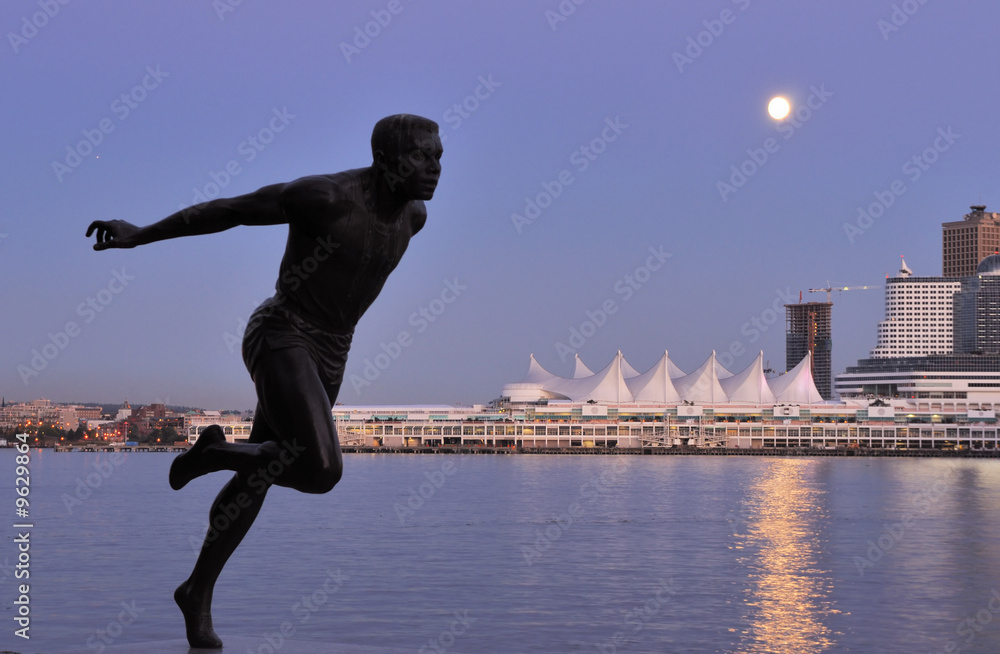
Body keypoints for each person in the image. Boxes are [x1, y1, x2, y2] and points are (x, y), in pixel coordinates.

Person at [86, 114, 443, 648]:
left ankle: (196, 592)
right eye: (422, 156)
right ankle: (214, 455)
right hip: (282, 332)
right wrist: (140, 236)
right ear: (386, 160)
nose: (435, 168)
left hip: (332, 353)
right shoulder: (325, 198)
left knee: (260, 474)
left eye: (439, 157)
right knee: (321, 470)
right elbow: (227, 212)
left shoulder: (413, 218)